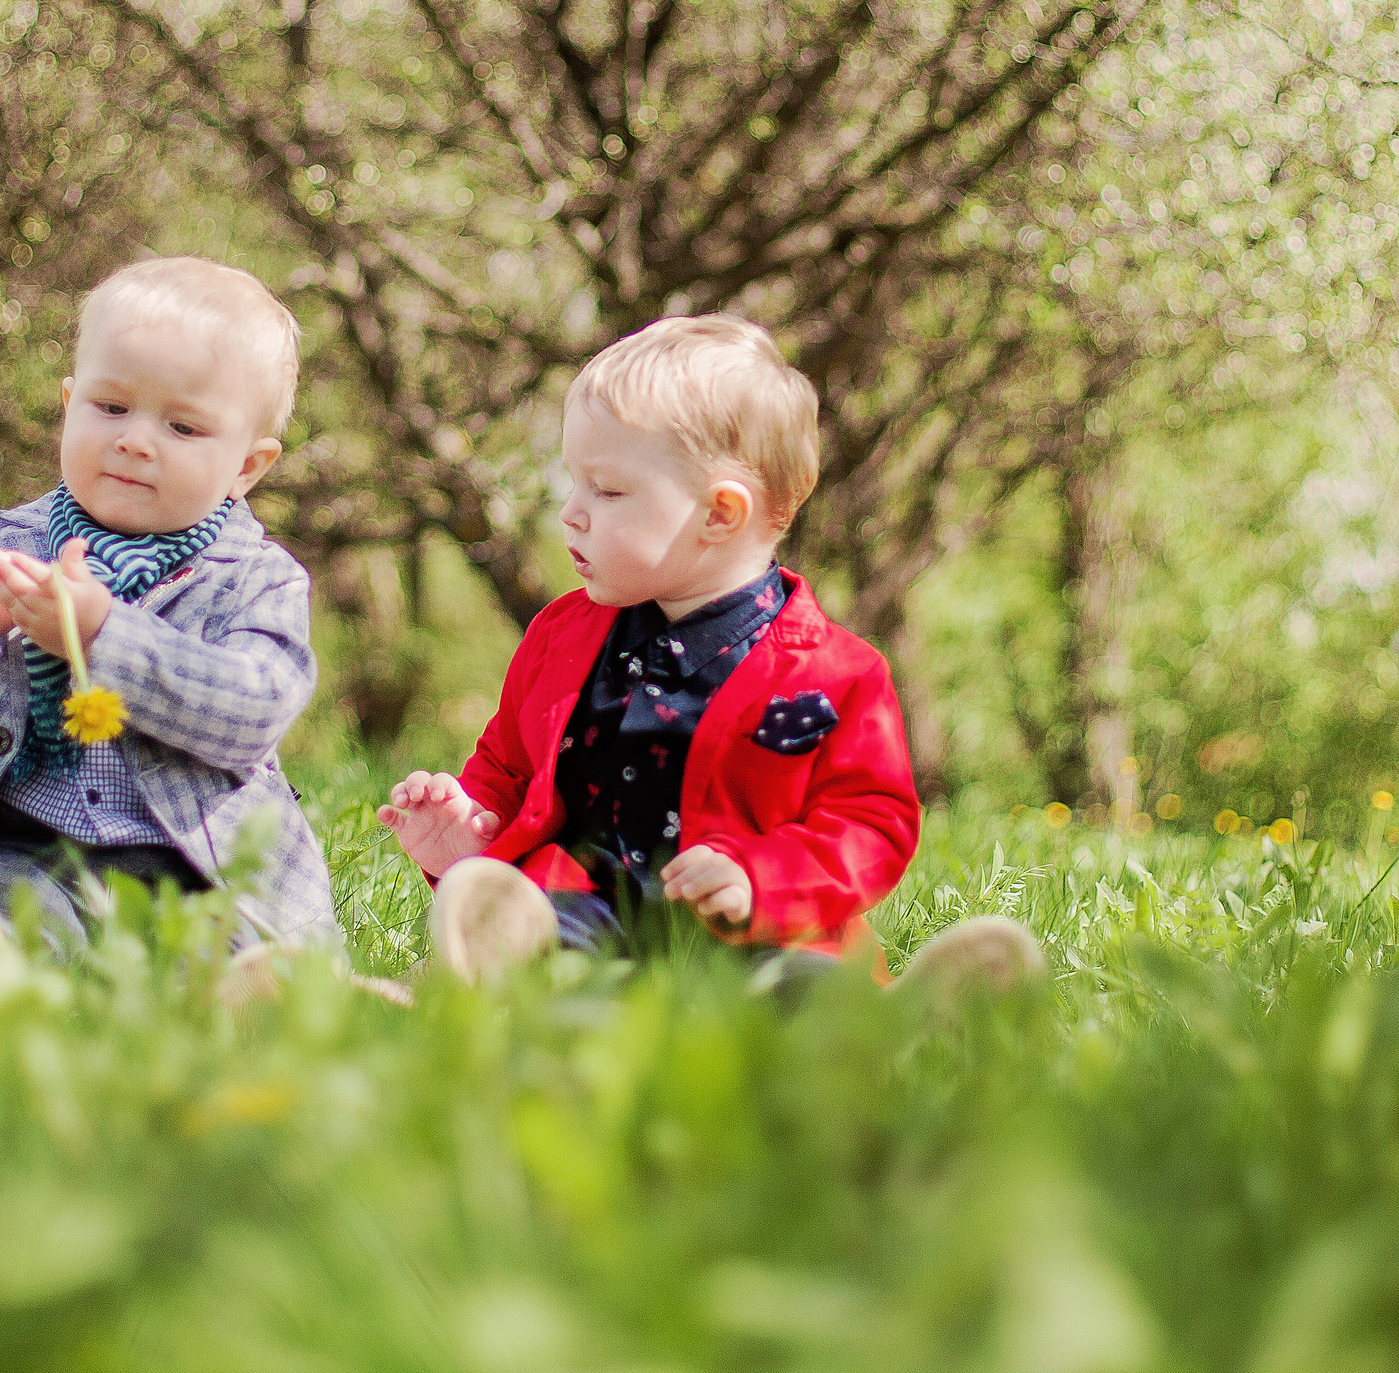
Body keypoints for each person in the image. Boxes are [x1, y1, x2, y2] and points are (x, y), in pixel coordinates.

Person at [377, 314, 1043, 998]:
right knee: (519, 944)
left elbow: (870, 824)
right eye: (573, 483)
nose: (570, 511)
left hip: (746, 934)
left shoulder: (835, 674)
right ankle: (409, 1008)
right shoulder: (560, 636)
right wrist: (468, 830)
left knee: (791, 987)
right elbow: (506, 768)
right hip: (582, 920)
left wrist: (759, 878)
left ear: (720, 514)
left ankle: (886, 1020)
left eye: (606, 490)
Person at [0, 255, 335, 955]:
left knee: (220, 951)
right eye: (111, 407)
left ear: (247, 465)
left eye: (183, 427)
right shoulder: (6, 545)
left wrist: (105, 635)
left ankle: (249, 1000)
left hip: (203, 873)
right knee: (9, 908)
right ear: (68, 406)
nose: (134, 439)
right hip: (28, 852)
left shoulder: (255, 579)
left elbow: (254, 708)